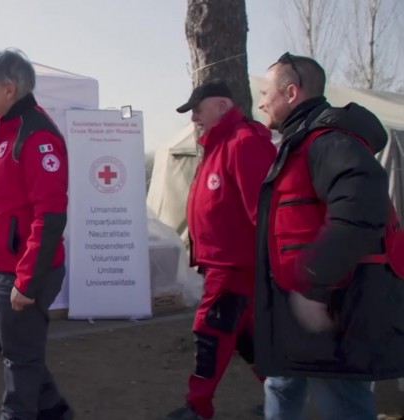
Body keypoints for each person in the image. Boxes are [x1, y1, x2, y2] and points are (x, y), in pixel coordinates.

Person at [254, 53, 404, 419]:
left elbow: (360, 208)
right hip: (298, 307)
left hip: (333, 310)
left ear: (291, 92)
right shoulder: (298, 144)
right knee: (281, 383)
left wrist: (314, 283)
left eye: (265, 93)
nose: (260, 103)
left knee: (341, 402)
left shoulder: (328, 142)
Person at [0, 49, 73, 420]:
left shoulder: (36, 135)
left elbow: (51, 216)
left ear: (9, 89)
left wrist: (27, 282)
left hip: (20, 271)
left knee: (20, 359)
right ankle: (54, 409)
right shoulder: (2, 129)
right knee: (2, 341)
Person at [165, 81, 276, 420]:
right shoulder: (219, 144)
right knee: (244, 336)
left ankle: (198, 407)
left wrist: (271, 266)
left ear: (222, 106)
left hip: (235, 266)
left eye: (198, 109)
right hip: (224, 264)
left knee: (210, 331)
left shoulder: (243, 143)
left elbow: (264, 212)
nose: (194, 118)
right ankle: (281, 396)